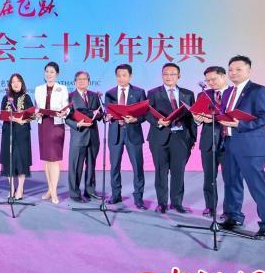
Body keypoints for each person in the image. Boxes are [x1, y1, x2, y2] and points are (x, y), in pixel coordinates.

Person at [218, 55, 265, 239]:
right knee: (231, 183)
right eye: (230, 70)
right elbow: (225, 116)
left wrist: (240, 125)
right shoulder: (227, 92)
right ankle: (234, 217)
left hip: (251, 147)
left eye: (238, 69)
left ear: (249, 71)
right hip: (229, 144)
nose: (233, 73)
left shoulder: (258, 90)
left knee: (257, 186)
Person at [146, 63, 196, 214]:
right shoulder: (153, 93)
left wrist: (192, 138)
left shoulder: (188, 94)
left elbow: (192, 117)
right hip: (159, 138)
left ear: (178, 76)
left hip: (181, 139)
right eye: (165, 74)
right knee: (161, 172)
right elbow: (147, 113)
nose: (168, 77)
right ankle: (161, 203)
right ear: (162, 75)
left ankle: (177, 203)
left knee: (178, 172)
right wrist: (158, 122)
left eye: (172, 74)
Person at [104, 64, 147, 210]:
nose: (121, 78)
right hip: (115, 134)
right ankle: (116, 195)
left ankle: (139, 198)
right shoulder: (109, 93)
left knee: (137, 167)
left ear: (130, 76)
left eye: (124, 75)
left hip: (133, 133)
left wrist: (135, 119)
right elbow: (107, 113)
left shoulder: (139, 92)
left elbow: (145, 114)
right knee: (114, 166)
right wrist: (107, 117)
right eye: (118, 75)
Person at [193, 66, 231, 218]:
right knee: (209, 177)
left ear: (224, 77)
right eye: (207, 80)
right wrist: (197, 119)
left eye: (213, 79)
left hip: (229, 141)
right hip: (209, 141)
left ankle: (229, 211)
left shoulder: (233, 93)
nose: (210, 83)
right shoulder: (203, 94)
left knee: (230, 179)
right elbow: (197, 117)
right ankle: (210, 207)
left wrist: (214, 118)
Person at [34, 62, 69, 204]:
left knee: (54, 159)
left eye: (52, 72)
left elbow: (66, 107)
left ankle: (54, 192)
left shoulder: (63, 88)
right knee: (47, 159)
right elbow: (36, 107)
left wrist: (63, 112)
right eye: (47, 71)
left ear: (57, 74)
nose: (49, 74)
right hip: (43, 124)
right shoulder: (38, 89)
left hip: (56, 124)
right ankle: (50, 189)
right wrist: (36, 113)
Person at [65, 71, 102, 203]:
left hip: (93, 136)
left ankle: (90, 190)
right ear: (75, 82)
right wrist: (77, 124)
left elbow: (100, 114)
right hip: (78, 136)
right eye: (79, 79)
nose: (82, 81)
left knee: (91, 165)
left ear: (88, 82)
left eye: (84, 79)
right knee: (76, 166)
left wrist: (99, 114)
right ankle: (74, 193)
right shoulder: (69, 97)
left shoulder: (94, 96)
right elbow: (66, 118)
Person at [0, 74, 34, 200]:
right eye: (13, 82)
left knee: (21, 160)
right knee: (9, 160)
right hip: (8, 131)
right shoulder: (6, 98)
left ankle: (20, 188)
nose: (16, 84)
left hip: (22, 133)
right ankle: (11, 188)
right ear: (10, 84)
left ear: (22, 83)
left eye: (18, 81)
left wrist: (23, 120)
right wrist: (10, 118)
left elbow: (32, 115)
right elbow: (2, 114)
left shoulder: (26, 97)